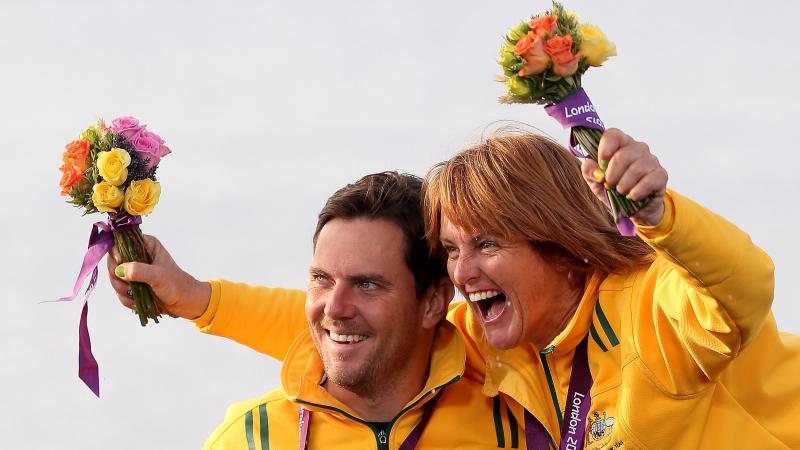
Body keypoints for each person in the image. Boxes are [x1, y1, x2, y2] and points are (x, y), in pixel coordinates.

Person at [113, 130, 800, 449]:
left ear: (558, 245)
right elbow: (361, 324)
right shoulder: (495, 336)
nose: (462, 273)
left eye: (487, 245)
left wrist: (658, 216)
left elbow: (745, 286)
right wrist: (198, 299)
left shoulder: (651, 307)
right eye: (450, 250)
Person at [111, 172, 513, 449]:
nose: (334, 308)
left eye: (367, 284)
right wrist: (196, 297)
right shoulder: (250, 437)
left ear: (434, 302)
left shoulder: (511, 422)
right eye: (321, 279)